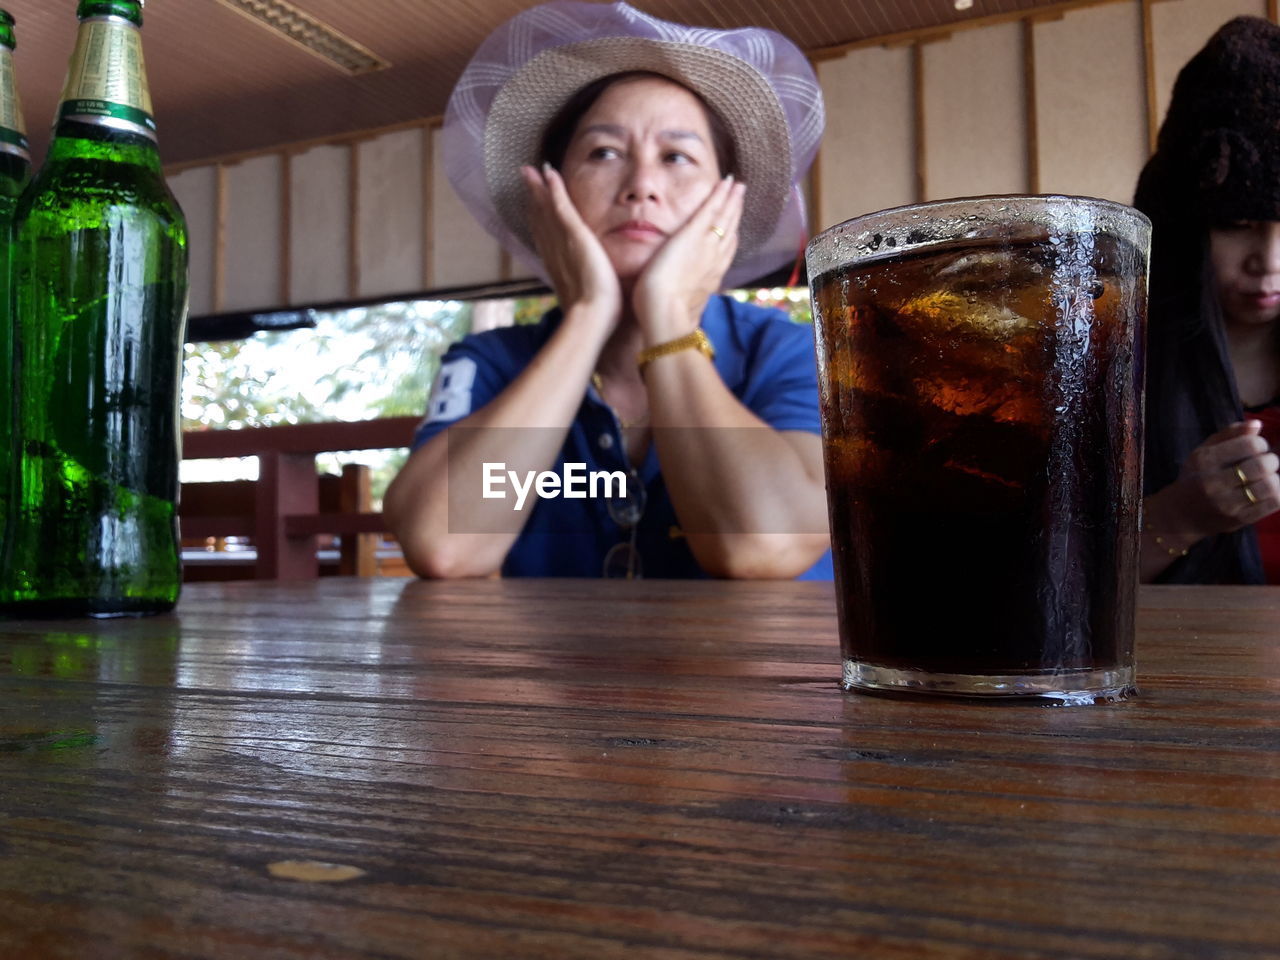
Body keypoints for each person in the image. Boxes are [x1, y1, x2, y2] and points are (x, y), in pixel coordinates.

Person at [384, 1, 831, 580]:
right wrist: (588, 316)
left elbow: (761, 547)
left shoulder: (788, 354)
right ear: (552, 196)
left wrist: (668, 316)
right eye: (604, 153)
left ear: (727, 204)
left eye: (678, 157)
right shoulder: (492, 363)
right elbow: (442, 546)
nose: (641, 186)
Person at [1136, 15, 1280, 584]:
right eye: (1234, 224)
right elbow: (1050, 586)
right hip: (1176, 669)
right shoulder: (1116, 365)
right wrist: (1180, 514)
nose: (1268, 259)